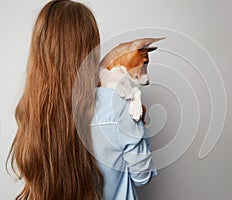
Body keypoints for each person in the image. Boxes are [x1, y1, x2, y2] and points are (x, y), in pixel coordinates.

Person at [7, 0, 156, 199]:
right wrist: (137, 120)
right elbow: (142, 176)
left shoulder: (31, 111)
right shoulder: (116, 104)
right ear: (90, 50)